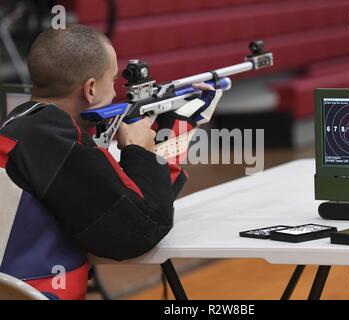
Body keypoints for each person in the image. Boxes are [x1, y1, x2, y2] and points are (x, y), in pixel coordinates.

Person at [0, 24, 216, 300]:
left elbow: (138, 202)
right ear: (90, 89)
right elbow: (140, 231)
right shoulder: (56, 142)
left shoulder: (22, 125)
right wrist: (138, 149)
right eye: (112, 80)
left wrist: (181, 123)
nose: (115, 93)